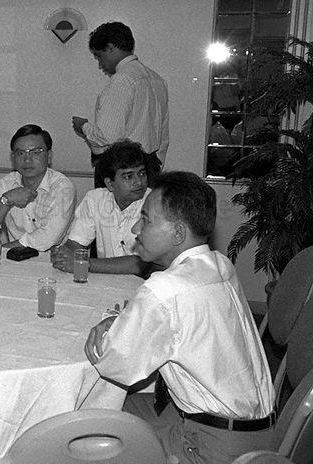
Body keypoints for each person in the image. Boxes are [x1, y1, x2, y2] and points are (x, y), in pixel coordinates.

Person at [83, 172, 274, 464]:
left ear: (178, 234)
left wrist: (108, 331)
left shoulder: (164, 290)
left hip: (211, 445)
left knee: (88, 432)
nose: (136, 228)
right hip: (258, 427)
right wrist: (132, 321)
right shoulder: (220, 264)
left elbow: (116, 363)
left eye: (146, 219)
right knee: (115, 409)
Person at [71, 21, 169, 187]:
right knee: (143, 213)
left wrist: (84, 126)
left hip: (121, 171)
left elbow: (106, 137)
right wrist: (153, 168)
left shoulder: (122, 80)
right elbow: (163, 135)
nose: (100, 64)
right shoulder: (156, 79)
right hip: (149, 167)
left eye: (99, 56)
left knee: (111, 213)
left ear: (111, 48)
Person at [51, 140, 152, 276]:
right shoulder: (95, 199)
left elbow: (140, 264)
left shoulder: (155, 203)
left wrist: (85, 264)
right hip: (105, 282)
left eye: (142, 173)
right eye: (128, 176)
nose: (139, 182)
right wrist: (64, 255)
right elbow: (75, 244)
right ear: (110, 184)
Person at [0, 124, 76, 252]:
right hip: (15, 260)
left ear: (49, 156)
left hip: (54, 260)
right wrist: (7, 199)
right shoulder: (6, 183)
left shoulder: (63, 187)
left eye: (35, 152)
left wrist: (3, 250)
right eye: (20, 153)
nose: (27, 159)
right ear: (13, 158)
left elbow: (48, 238)